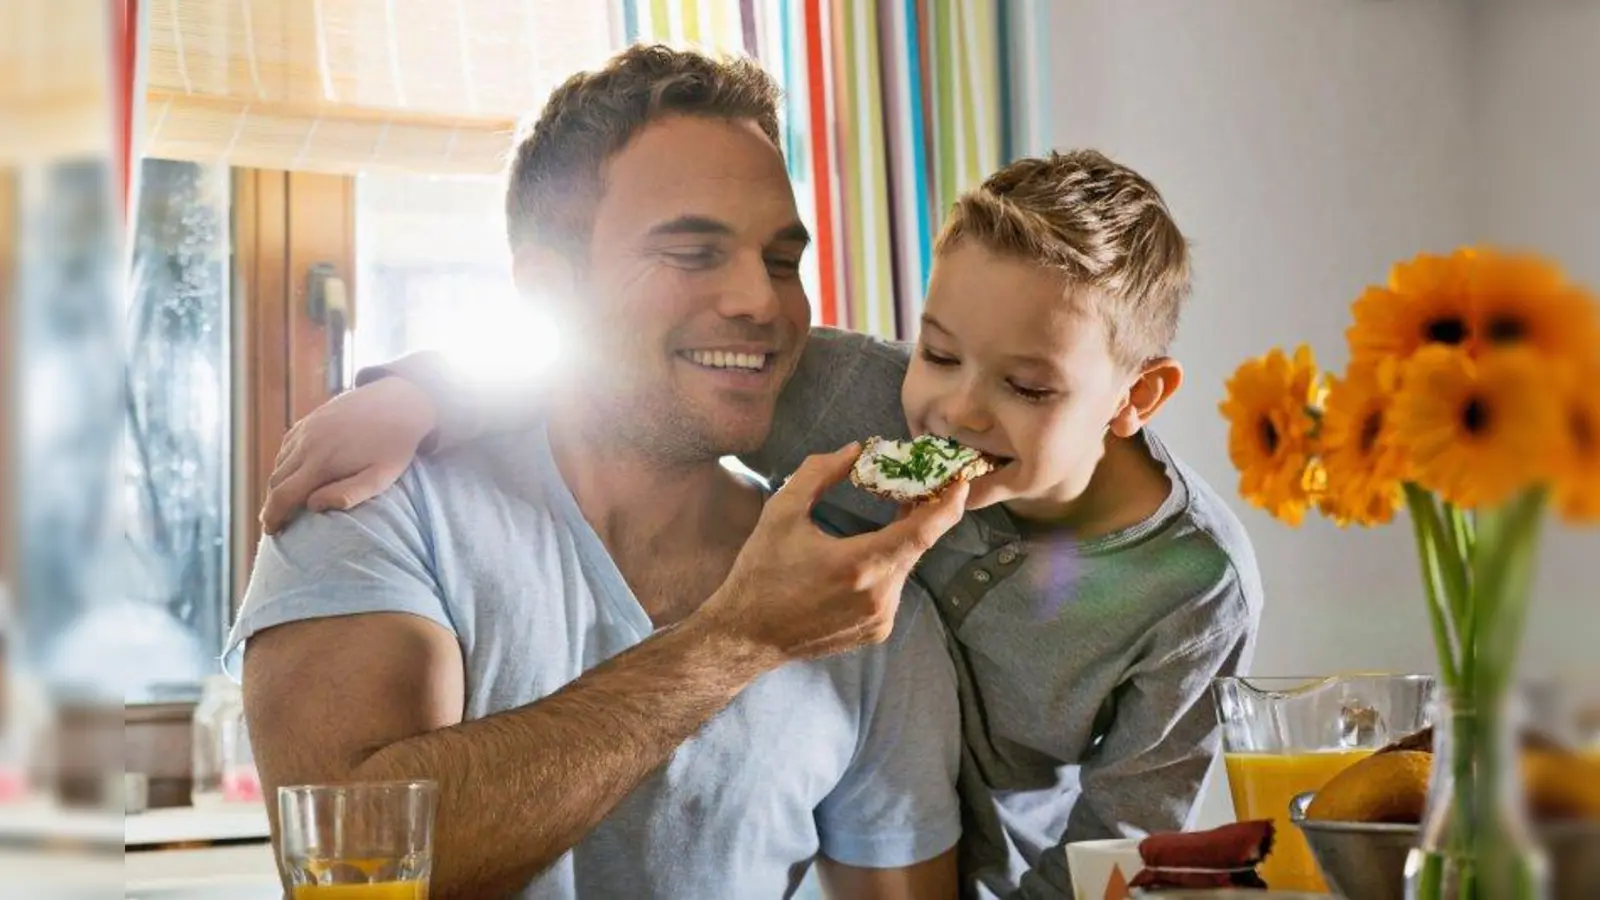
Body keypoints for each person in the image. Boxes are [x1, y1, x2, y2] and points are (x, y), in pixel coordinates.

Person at [265, 148, 1264, 898]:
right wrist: (421, 392)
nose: (956, 411)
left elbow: (1124, 842)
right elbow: (615, 368)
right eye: (940, 352)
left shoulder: (1193, 589)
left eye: (1027, 385)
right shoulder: (854, 396)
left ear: (1140, 396)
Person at [230, 44, 973, 900]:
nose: (762, 302)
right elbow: (353, 870)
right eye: (692, 254)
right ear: (549, 291)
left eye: (781, 259)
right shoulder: (372, 509)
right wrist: (738, 639)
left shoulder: (861, 599)